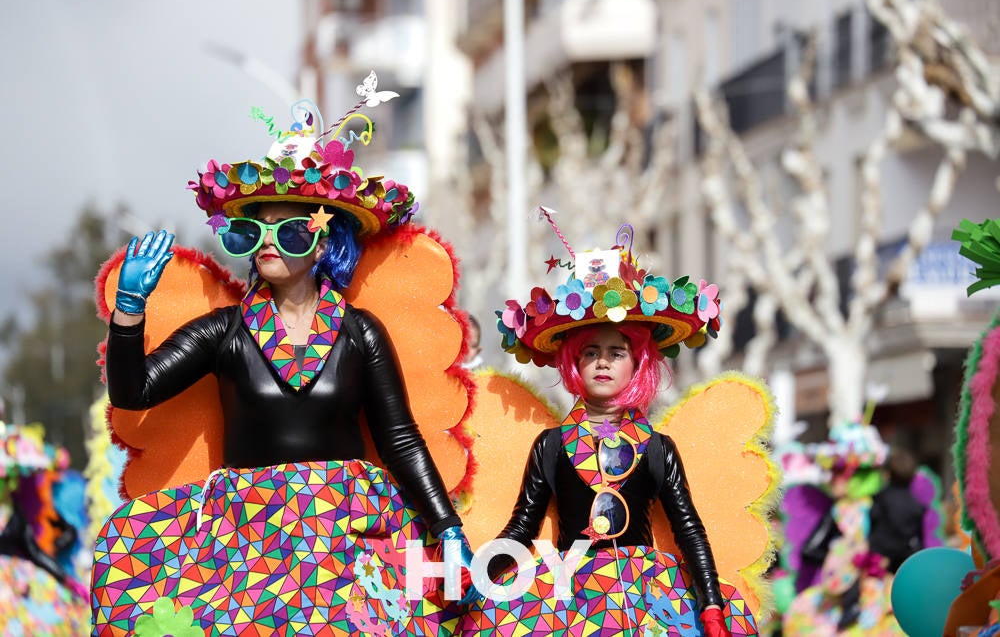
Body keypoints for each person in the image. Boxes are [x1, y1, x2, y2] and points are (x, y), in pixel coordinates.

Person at [92, 98, 474, 634]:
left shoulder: (360, 332)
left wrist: (447, 527)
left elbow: (400, 440)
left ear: (325, 241)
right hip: (246, 542)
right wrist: (130, 311)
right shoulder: (224, 333)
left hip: (345, 536)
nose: (268, 242)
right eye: (252, 231)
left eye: (289, 230)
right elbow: (134, 393)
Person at [462, 224, 751, 637]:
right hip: (570, 598)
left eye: (616, 353)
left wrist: (711, 607)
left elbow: (688, 528)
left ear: (637, 363)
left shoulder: (657, 448)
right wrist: (474, 575)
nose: (602, 363)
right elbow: (522, 526)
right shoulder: (551, 445)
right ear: (573, 363)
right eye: (590, 353)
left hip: (645, 599)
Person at [867, 447, 926, 573]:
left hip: (879, 562)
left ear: (887, 474)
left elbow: (872, 525)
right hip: (905, 562)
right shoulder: (917, 505)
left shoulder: (880, 498)